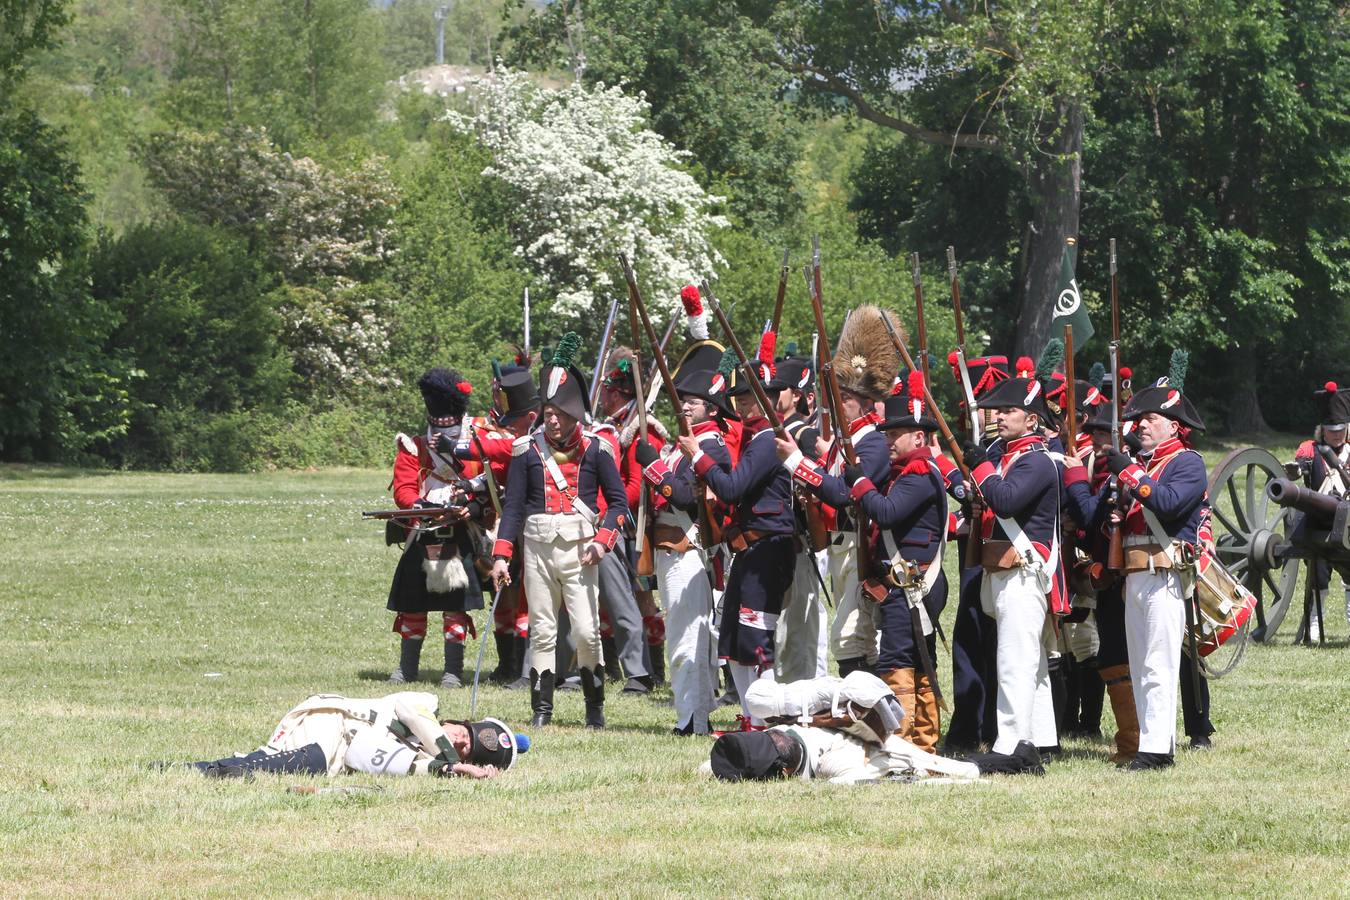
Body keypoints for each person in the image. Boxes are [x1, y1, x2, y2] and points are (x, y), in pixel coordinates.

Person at [489, 334, 630, 728]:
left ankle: (594, 707)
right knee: (543, 631)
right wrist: (502, 553)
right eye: (547, 411)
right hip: (536, 548)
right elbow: (514, 507)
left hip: (582, 548)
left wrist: (603, 542)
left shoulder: (598, 449)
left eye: (559, 412)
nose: (551, 418)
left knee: (586, 632)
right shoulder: (526, 451)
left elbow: (618, 505)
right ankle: (542, 710)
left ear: (574, 414)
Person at [679, 333, 795, 724]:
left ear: (771, 398)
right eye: (741, 398)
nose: (744, 405)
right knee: (737, 640)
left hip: (769, 549)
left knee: (756, 638)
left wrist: (698, 459)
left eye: (752, 398)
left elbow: (732, 486)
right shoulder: (754, 437)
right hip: (750, 548)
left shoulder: (767, 440)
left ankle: (765, 719)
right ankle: (751, 717)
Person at [1102, 351, 1208, 770]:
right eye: (1139, 419)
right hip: (1135, 573)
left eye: (1150, 419)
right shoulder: (1146, 465)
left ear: (1173, 426)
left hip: (1165, 573)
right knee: (1140, 664)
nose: (1141, 425)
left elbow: (1165, 503)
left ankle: (1158, 749)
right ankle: (1149, 741)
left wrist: (1129, 473)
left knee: (1158, 665)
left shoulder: (1187, 463)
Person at [838, 371, 949, 752]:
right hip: (908, 581)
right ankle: (922, 741)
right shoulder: (911, 470)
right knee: (918, 660)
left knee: (898, 661)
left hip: (913, 583)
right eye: (885, 434)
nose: (887, 441)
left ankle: (901, 744)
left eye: (893, 435)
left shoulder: (918, 473)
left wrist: (858, 482)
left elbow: (886, 512)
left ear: (918, 437)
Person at [961, 357, 1062, 763]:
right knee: (1031, 666)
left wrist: (980, 466)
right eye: (998, 410)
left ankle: (1009, 747)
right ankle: (1036, 743)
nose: (999, 416)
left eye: (1009, 411)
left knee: (1014, 665)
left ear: (1032, 420)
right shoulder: (1009, 458)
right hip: (1006, 571)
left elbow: (1004, 500)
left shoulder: (1035, 461)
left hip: (1022, 574)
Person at [635, 339, 734, 734]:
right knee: (687, 634)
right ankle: (695, 712)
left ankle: (691, 719)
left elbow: (689, 498)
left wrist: (654, 468)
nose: (686, 404)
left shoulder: (710, 445)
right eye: (685, 399)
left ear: (711, 408)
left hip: (687, 548)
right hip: (670, 548)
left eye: (694, 400)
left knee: (685, 637)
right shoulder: (686, 445)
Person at [704, 671, 1041, 782]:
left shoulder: (788, 725)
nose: (778, 741)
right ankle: (1018, 762)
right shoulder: (814, 756)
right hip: (858, 748)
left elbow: (860, 770)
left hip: (860, 742)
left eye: (774, 740)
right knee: (952, 769)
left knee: (955, 770)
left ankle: (1020, 760)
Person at [387, 369, 491, 688]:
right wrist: (416, 504)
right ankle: (407, 668)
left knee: (455, 608)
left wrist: (468, 501)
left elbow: (488, 484)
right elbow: (403, 487)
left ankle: (453, 671)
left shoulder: (475, 444)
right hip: (423, 532)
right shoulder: (413, 446)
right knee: (412, 605)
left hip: (461, 533)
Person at [181, 691, 528, 780]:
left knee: (255, 764)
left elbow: (395, 764)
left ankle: (191, 769)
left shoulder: (426, 759)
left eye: (464, 751)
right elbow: (412, 713)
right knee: (312, 760)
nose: (457, 742)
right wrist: (451, 760)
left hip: (338, 755)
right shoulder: (427, 704)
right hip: (330, 721)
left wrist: (448, 771)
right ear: (457, 722)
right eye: (461, 735)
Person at [942, 354, 1009, 754]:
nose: (985, 415)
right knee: (968, 637)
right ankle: (968, 726)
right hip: (975, 549)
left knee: (998, 643)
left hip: (1003, 553)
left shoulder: (1010, 451)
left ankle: (994, 728)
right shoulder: (985, 447)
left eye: (991, 407)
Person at [586, 345, 662, 694]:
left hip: (632, 527)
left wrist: (602, 510)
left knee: (633, 601)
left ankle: (645, 673)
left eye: (608, 392)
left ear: (619, 394)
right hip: (610, 519)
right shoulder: (614, 426)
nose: (603, 398)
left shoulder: (642, 431)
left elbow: (636, 487)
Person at [771, 352, 830, 681]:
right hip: (776, 540)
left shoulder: (804, 434)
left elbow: (824, 468)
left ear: (796, 395)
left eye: (780, 388)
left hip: (801, 539)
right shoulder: (774, 430)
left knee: (800, 629)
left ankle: (805, 692)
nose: (772, 394)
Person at [1293, 380, 1350, 641]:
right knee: (1319, 572)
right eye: (1330, 430)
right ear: (1322, 430)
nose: (1336, 434)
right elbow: (1302, 466)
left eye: (1340, 429)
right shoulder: (1310, 449)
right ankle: (1314, 624)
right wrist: (1296, 469)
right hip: (1317, 520)